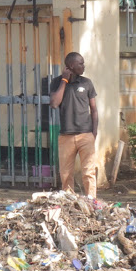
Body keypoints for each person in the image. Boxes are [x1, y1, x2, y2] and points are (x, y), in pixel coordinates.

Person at [49, 52, 99, 198]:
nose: (83, 66)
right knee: (65, 173)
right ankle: (69, 201)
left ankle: (92, 201)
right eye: (81, 63)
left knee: (88, 172)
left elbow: (94, 109)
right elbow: (54, 103)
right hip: (66, 136)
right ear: (71, 65)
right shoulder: (57, 82)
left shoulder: (87, 83)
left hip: (86, 134)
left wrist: (94, 133)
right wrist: (64, 80)